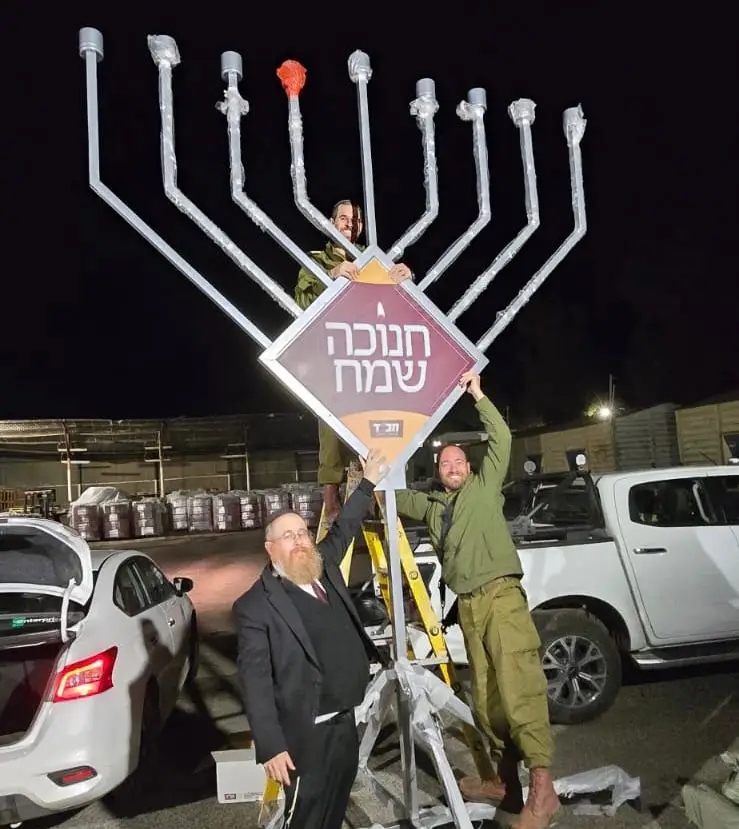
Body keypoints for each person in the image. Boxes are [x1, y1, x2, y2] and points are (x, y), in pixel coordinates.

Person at [395, 372, 560, 829]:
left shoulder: (484, 488)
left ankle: (543, 789)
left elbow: (502, 437)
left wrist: (478, 395)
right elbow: (388, 495)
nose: (452, 465)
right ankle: (505, 781)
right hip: (467, 606)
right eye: (445, 461)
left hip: (500, 597)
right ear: (438, 470)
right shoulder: (430, 506)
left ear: (468, 467)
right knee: (487, 698)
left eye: (458, 460)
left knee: (518, 684)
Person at [233, 447, 388, 829]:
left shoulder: (323, 566)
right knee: (306, 815)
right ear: (272, 550)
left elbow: (345, 526)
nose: (300, 540)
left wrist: (367, 482)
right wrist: (271, 746)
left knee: (335, 807)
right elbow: (255, 680)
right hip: (306, 733)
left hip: (345, 723)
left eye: (302, 532)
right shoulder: (255, 606)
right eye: (288, 536)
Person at [295, 199, 412, 525]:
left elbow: (395, 306)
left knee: (376, 426)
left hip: (367, 356)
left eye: (356, 220)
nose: (350, 224)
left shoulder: (373, 259)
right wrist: (331, 273)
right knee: (330, 428)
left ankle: (379, 496)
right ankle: (331, 501)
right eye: (343, 218)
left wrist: (404, 280)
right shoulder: (315, 260)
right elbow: (302, 300)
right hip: (332, 354)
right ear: (332, 223)